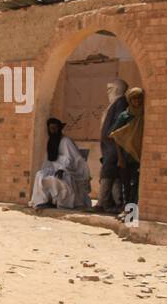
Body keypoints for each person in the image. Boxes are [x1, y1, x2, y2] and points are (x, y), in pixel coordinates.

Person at [29, 118, 90, 210]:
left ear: (59, 128)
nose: (53, 130)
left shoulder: (66, 141)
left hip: (68, 170)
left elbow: (72, 158)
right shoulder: (50, 141)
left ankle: (60, 202)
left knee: (55, 178)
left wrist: (62, 169)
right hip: (53, 168)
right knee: (40, 175)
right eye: (51, 128)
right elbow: (49, 160)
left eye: (55, 128)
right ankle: (44, 201)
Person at [109, 87, 144, 210]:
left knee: (135, 185)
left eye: (139, 98)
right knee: (126, 185)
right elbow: (116, 136)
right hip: (125, 156)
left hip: (139, 156)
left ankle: (131, 216)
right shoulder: (125, 115)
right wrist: (120, 158)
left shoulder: (145, 114)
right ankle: (126, 212)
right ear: (130, 100)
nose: (137, 101)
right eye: (134, 99)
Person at [97, 79, 129, 212]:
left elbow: (117, 126)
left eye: (110, 89)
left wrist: (111, 137)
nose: (107, 92)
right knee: (112, 174)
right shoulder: (114, 104)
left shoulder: (120, 103)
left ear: (117, 89)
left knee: (108, 173)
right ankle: (114, 203)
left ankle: (102, 203)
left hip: (113, 146)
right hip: (108, 146)